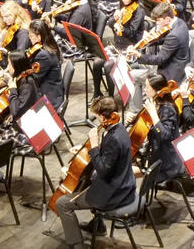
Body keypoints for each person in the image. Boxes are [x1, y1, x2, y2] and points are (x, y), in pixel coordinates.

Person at [51, 96, 136, 247]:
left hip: (114, 194)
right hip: (125, 184)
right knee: (86, 180)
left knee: (62, 203)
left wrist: (95, 146)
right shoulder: (120, 128)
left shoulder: (114, 138)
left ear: (104, 116)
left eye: (97, 116)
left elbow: (103, 170)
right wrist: (88, 150)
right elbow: (110, 157)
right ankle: (98, 225)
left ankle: (77, 244)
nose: (97, 120)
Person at [139, 72, 187, 184]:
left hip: (166, 163)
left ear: (157, 90)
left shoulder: (167, 109)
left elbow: (165, 135)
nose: (144, 90)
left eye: (147, 87)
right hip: (155, 152)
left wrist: (153, 114)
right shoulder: (154, 102)